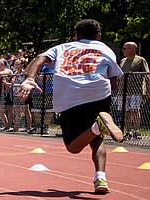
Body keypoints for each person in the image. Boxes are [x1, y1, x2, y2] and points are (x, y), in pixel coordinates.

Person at [19, 19, 124, 194]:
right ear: (98, 36)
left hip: (70, 96)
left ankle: (98, 126)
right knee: (96, 139)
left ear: (76, 35)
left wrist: (30, 78)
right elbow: (113, 80)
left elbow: (40, 58)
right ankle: (100, 178)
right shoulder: (105, 49)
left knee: (73, 147)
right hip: (99, 94)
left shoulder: (62, 48)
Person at [119, 42, 148, 139]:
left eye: (125, 48)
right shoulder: (123, 61)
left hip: (136, 90)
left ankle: (136, 131)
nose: (123, 50)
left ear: (132, 49)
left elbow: (147, 75)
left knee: (135, 110)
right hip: (123, 91)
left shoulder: (140, 60)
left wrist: (147, 89)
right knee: (126, 111)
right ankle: (128, 131)